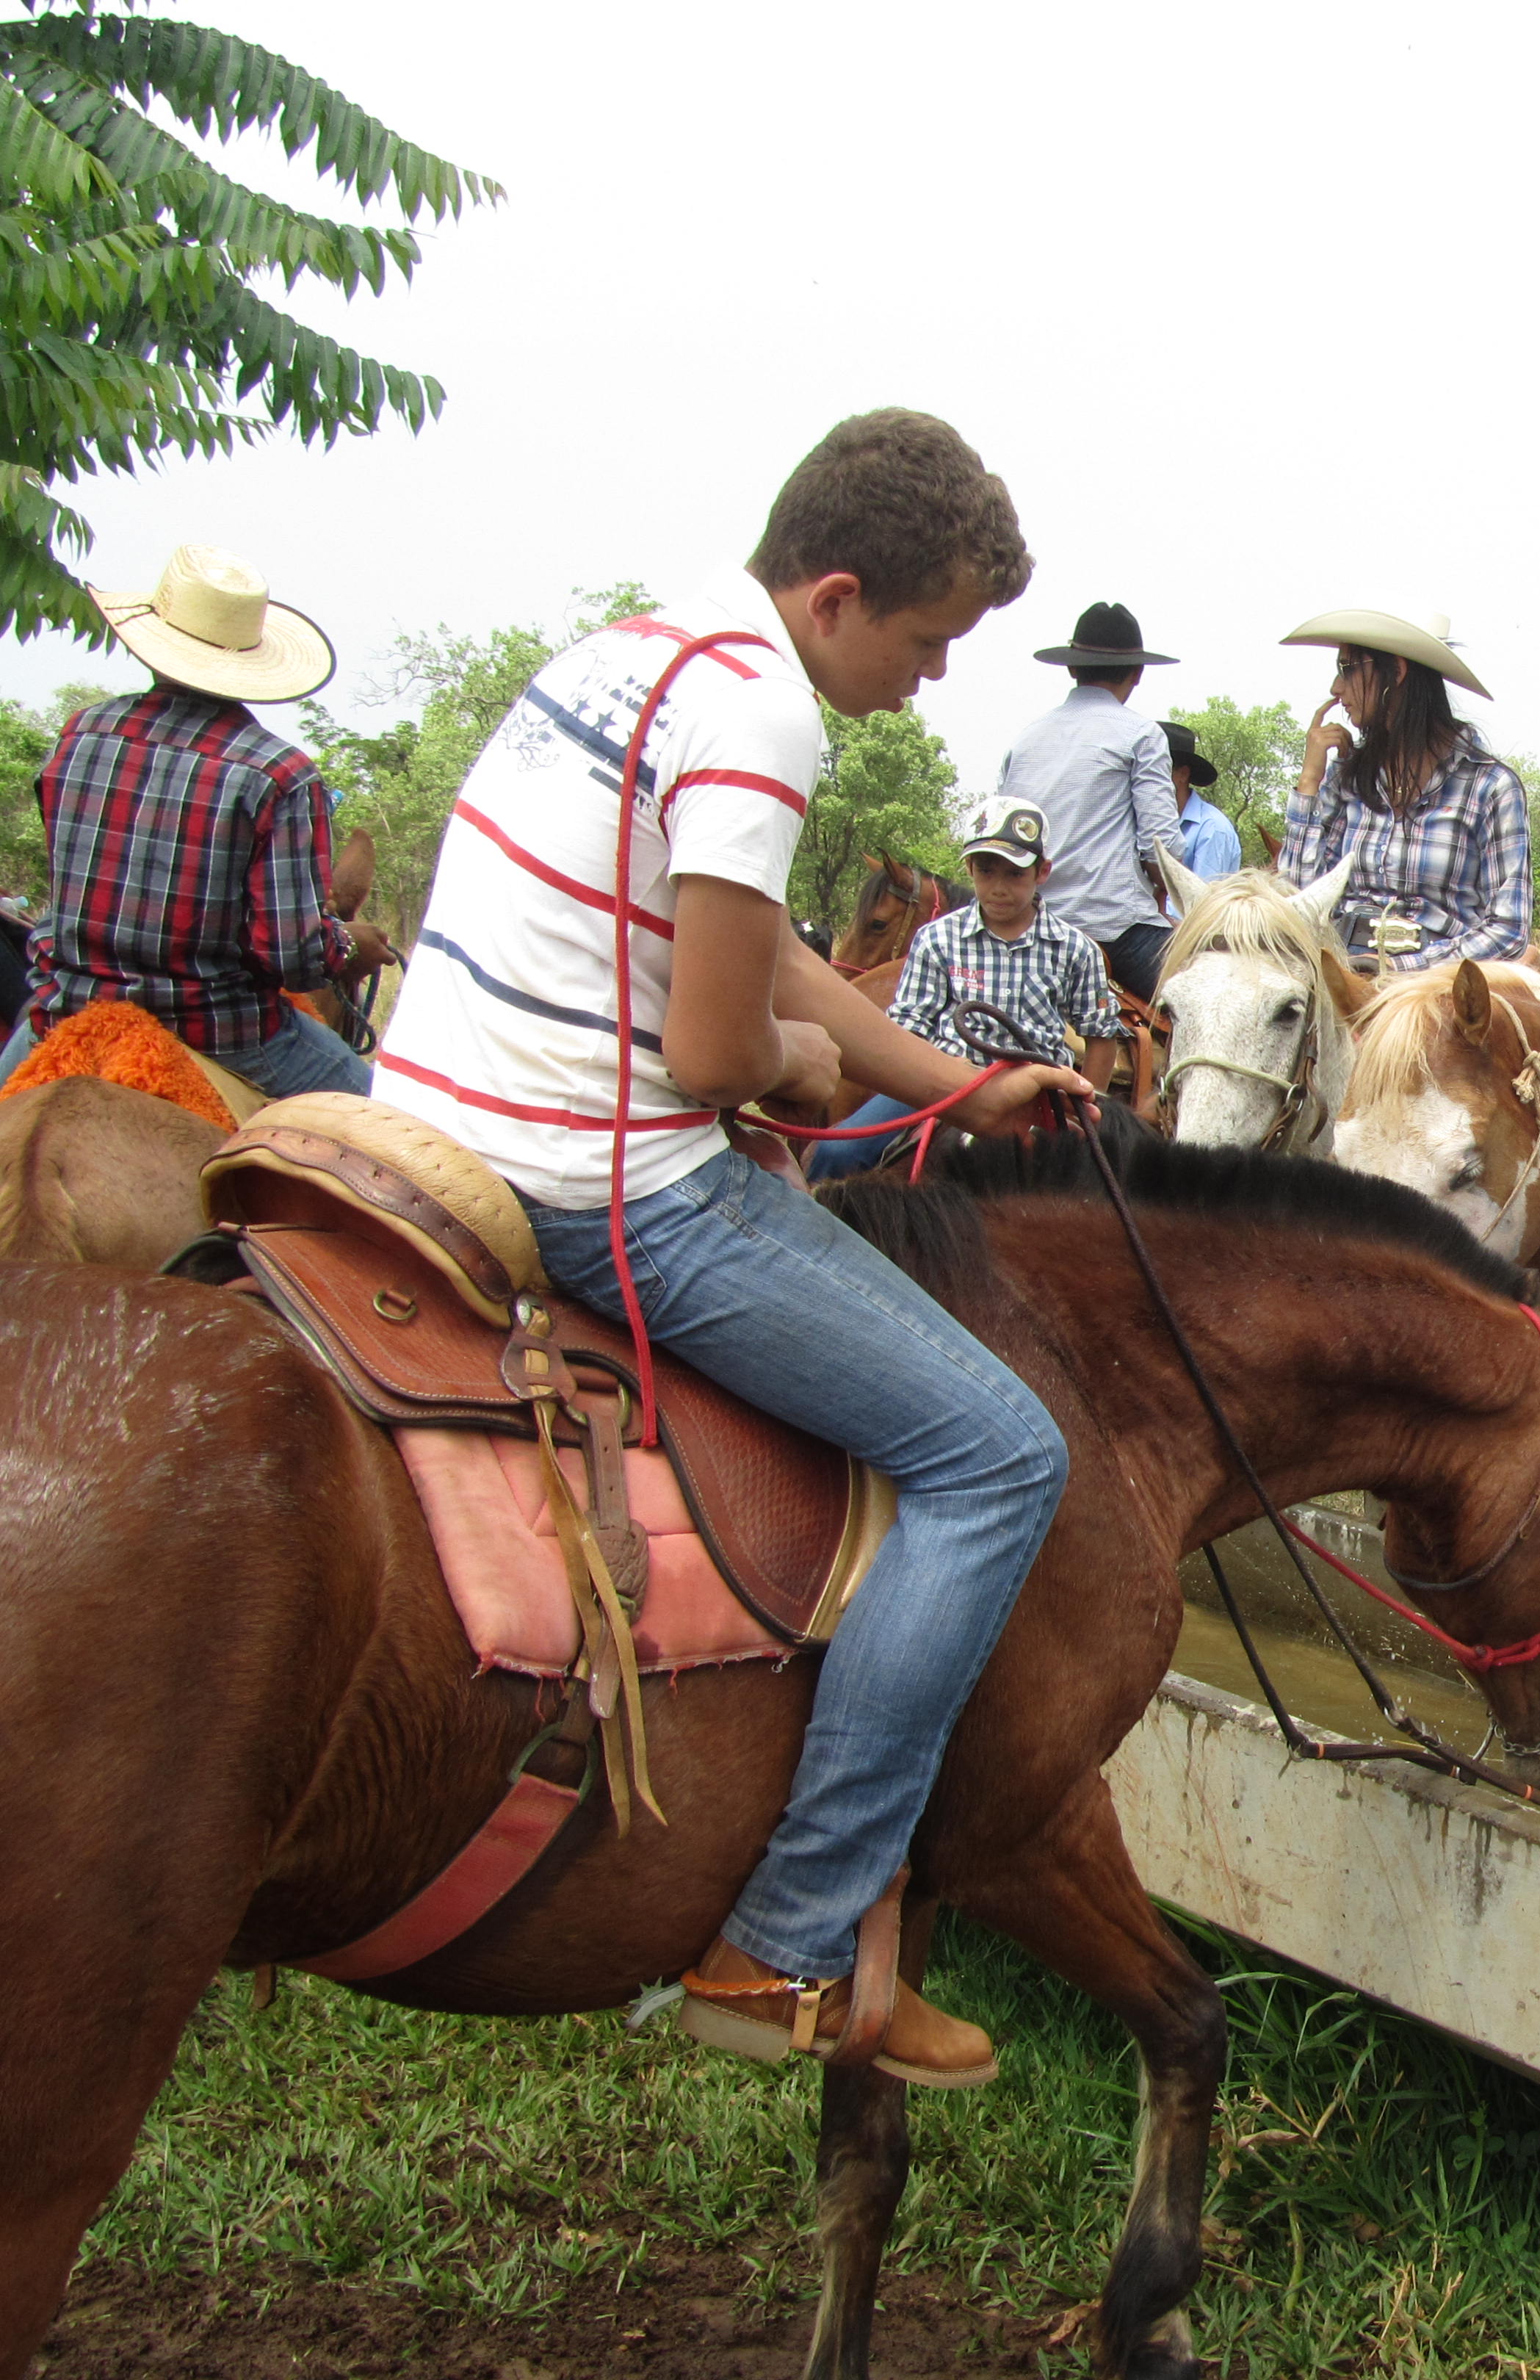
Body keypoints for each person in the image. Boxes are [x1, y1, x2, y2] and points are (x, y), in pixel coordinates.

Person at [369, 409, 1088, 2087]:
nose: (925, 681)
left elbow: (762, 955)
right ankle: (791, 1939)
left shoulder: (642, 649)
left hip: (435, 1122)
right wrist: (804, 1073)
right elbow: (720, 1047)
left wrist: (955, 1085)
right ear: (835, 596)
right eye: (925, 642)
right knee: (998, 1452)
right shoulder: (764, 712)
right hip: (599, 1172)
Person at [3, 546, 397, 1097]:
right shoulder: (280, 774)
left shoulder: (79, 735)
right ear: (251, 660)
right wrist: (348, 945)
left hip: (66, 1013)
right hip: (226, 1034)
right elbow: (294, 958)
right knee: (410, 1140)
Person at [807, 795, 1127, 1183]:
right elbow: (910, 1026)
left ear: (1042, 872)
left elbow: (1101, 1036)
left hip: (1037, 1095)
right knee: (836, 1152)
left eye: (1015, 874)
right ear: (970, 868)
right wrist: (931, 1074)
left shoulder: (1076, 949)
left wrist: (1082, 1102)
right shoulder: (937, 939)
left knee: (1111, 1183)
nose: (999, 887)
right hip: (942, 1084)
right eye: (987, 871)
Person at [1275, 607, 1528, 968]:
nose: (1336, 688)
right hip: (1343, 969)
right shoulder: (1348, 777)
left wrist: (1403, 969)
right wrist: (1309, 782)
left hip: (1433, 989)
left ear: (1397, 670)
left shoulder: (1490, 787)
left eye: (1347, 669)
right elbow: (1295, 900)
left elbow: (1509, 931)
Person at [999, 601, 1185, 998]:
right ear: (1137, 673)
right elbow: (1162, 852)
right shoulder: (1142, 735)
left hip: (1033, 929)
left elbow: (1005, 838)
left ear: (1071, 667)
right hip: (1118, 930)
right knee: (1218, 1005)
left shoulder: (1025, 740)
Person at [1163, 721, 1243, 881]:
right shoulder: (1155, 823)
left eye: (1159, 769)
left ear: (1183, 774)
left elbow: (1205, 900)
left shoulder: (1212, 828)